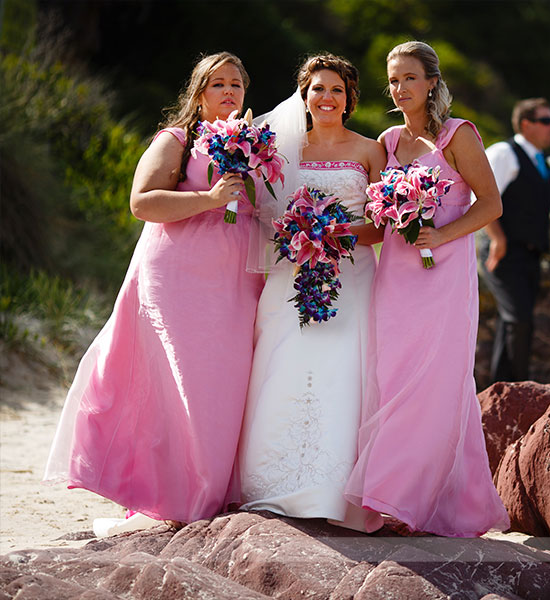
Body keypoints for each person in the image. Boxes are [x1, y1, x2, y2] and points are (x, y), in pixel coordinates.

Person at [44, 52, 265, 533]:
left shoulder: (259, 145)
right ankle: (178, 496)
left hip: (238, 279)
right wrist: (208, 199)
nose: (229, 92)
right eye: (218, 84)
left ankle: (213, 490)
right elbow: (141, 202)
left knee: (227, 384)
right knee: (185, 383)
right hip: (179, 276)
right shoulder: (178, 139)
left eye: (237, 85)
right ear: (198, 92)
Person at [344, 41, 510, 537]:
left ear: (432, 82)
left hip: (443, 274)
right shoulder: (389, 141)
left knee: (435, 382)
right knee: (391, 376)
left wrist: (441, 232)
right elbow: (378, 215)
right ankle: (387, 497)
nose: (400, 89)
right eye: (393, 80)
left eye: (410, 78)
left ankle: (415, 501)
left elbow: (491, 205)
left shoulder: (459, 136)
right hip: (395, 273)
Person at [237, 54, 386, 533]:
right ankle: (270, 487)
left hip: (351, 275)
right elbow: (263, 214)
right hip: (290, 273)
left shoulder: (370, 150)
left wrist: (335, 234)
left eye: (337, 90)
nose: (327, 98)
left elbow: (382, 225)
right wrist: (299, 234)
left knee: (344, 369)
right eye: (318, 89)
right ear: (303, 95)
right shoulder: (281, 151)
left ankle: (332, 490)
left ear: (350, 99)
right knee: (283, 363)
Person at [480, 98, 550, 384]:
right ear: (526, 125)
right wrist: (498, 239)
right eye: (546, 121)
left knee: (514, 321)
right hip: (502, 251)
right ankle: (520, 390)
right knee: (519, 319)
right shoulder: (504, 153)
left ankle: (500, 389)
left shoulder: (545, 162)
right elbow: (482, 198)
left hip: (531, 255)